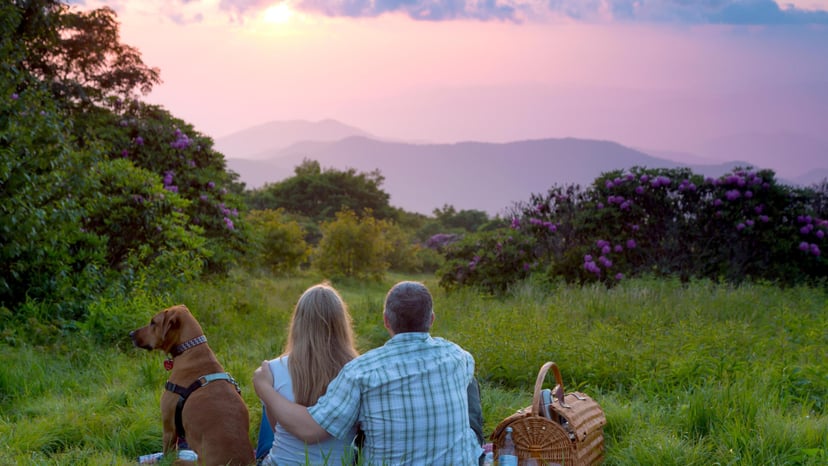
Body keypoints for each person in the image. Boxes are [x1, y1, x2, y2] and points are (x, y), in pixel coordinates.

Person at [254, 281, 483, 465]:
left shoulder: (362, 372)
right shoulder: (460, 357)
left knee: (273, 410)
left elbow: (310, 430)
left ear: (386, 320)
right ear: (431, 319)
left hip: (292, 446)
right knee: (469, 383)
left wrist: (265, 388)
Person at [254, 283, 359, 466]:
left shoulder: (272, 370)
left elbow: (277, 428)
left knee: (270, 402)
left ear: (298, 322)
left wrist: (265, 388)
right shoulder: (359, 370)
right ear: (341, 323)